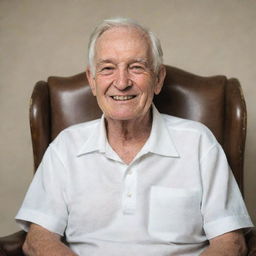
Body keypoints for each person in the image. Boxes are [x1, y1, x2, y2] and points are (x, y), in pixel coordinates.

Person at [16, 17, 253, 256]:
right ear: (92, 80)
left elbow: (230, 242)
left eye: (136, 67)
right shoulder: (65, 147)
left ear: (158, 79)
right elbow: (37, 239)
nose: (121, 82)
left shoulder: (199, 143)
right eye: (108, 68)